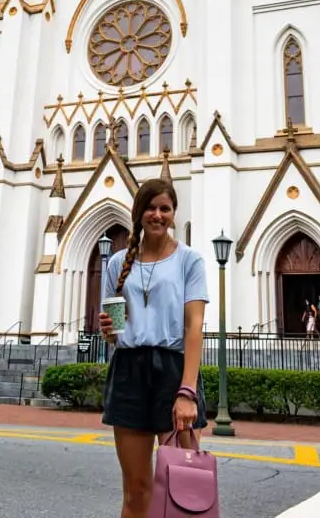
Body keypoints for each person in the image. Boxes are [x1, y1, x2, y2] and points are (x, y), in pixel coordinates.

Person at [98, 178, 209, 518]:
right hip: (129, 372)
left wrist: (187, 392)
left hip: (174, 373)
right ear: (138, 213)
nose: (157, 215)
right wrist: (109, 332)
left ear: (174, 214)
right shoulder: (118, 263)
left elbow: (194, 326)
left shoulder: (190, 260)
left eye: (165, 208)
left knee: (182, 487)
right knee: (136, 490)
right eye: (150, 207)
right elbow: (115, 332)